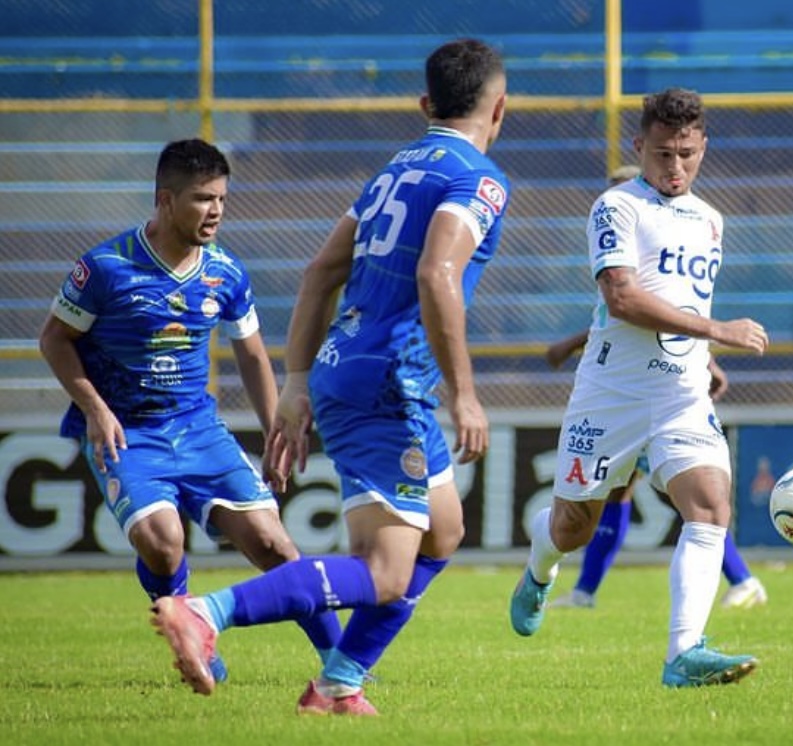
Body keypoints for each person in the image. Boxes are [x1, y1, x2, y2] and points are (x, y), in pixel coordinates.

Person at [149, 38, 510, 716]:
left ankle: (339, 681)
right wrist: (464, 393)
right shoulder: (478, 179)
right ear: (501, 108)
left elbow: (319, 273)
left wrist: (295, 382)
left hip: (346, 365)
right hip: (390, 382)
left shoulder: (392, 172)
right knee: (383, 571)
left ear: (426, 104)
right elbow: (437, 274)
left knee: (444, 529)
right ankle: (206, 612)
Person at [38, 138, 342, 684]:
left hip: (199, 430)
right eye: (203, 199)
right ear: (165, 199)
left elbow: (251, 353)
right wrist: (95, 409)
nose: (216, 210)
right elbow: (54, 339)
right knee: (162, 540)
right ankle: (191, 634)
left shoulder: (224, 272)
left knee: (275, 544)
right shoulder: (105, 267)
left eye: (222, 198)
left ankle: (344, 665)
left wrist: (276, 431)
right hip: (127, 433)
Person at [509, 87, 769, 689]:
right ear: (639, 147)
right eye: (661, 154)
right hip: (611, 395)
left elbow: (683, 297)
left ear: (703, 147)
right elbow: (622, 298)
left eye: (685, 153)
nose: (674, 167)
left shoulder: (711, 220)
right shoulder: (616, 207)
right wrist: (717, 331)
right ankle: (538, 572)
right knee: (574, 526)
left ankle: (683, 655)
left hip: (681, 394)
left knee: (710, 506)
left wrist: (702, 358)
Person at [546, 328, 768, 611]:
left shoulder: (636, 289)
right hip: (639, 395)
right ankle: (583, 592)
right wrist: (709, 364)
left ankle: (743, 580)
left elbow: (644, 314)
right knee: (618, 493)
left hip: (653, 403)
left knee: (688, 500)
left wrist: (567, 343)